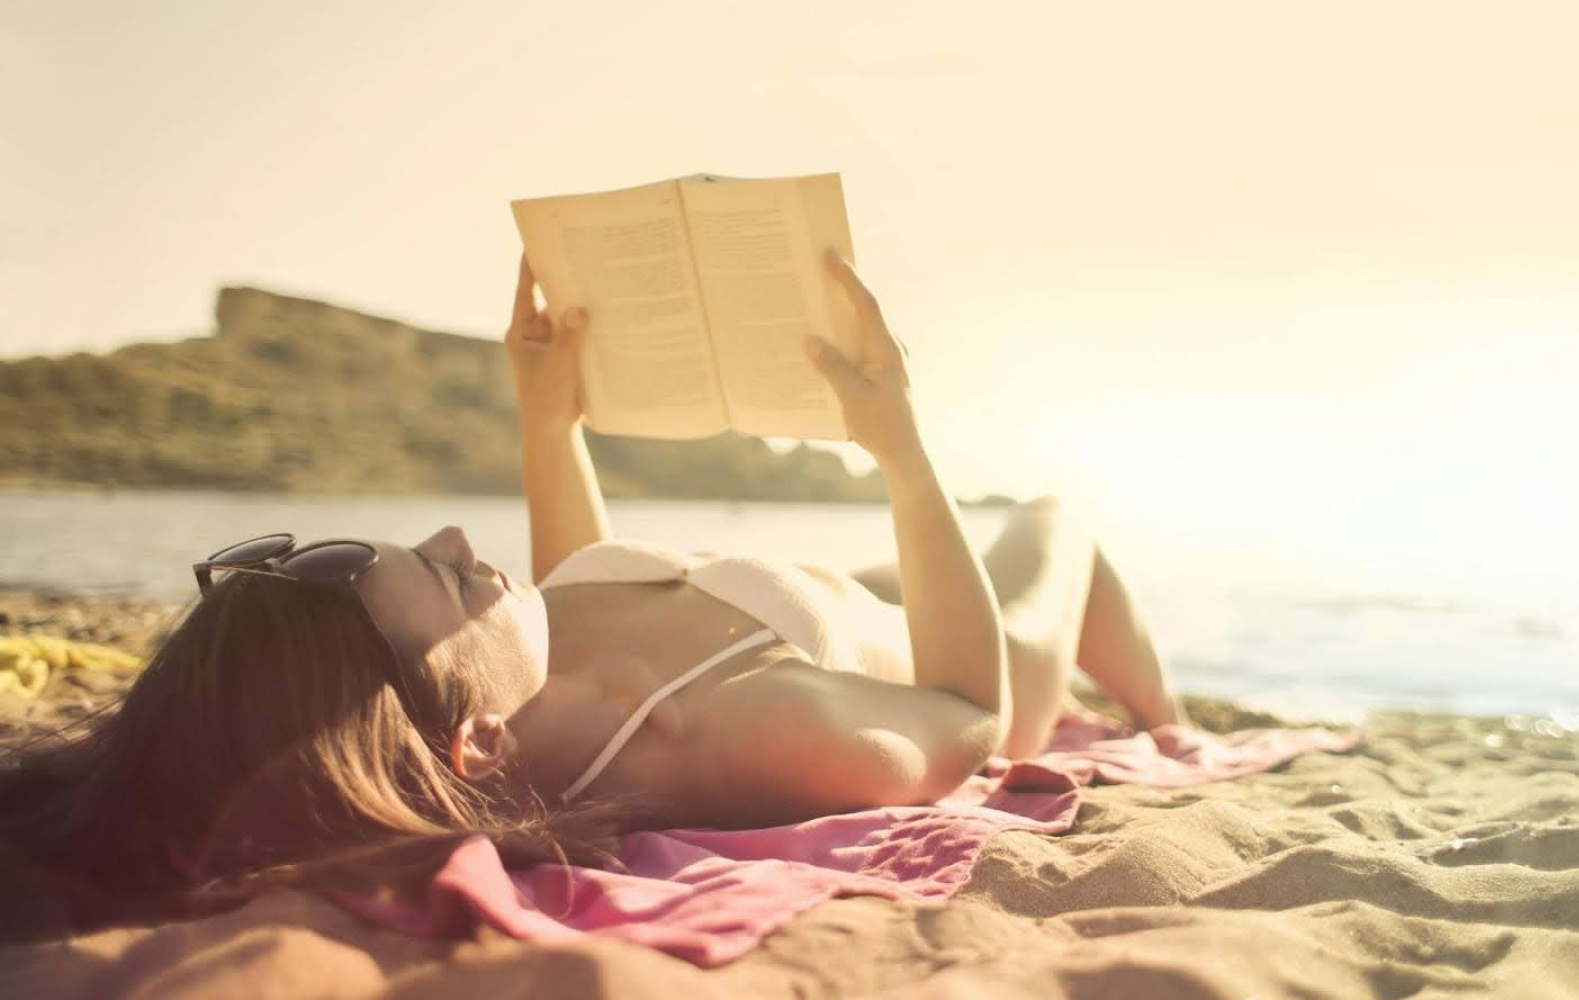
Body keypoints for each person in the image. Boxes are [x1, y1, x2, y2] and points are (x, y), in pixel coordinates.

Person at [0, 249, 1189, 936]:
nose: (468, 538)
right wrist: (899, 447)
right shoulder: (738, 732)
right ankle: (1170, 717)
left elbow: (569, 583)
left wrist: (547, 419)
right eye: (455, 579)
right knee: (1056, 521)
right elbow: (964, 707)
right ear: (472, 740)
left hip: (815, 603)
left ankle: (1160, 701)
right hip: (964, 647)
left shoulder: (502, 686)